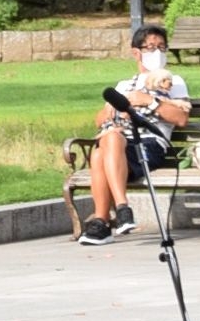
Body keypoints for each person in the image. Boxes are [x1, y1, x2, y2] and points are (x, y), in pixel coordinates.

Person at [81, 22, 190, 246]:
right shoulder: (123, 85)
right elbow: (99, 120)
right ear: (136, 52)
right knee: (106, 144)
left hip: (149, 144)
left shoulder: (173, 81)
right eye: (151, 47)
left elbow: (181, 118)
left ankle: (104, 220)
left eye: (162, 47)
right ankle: (121, 211)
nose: (157, 52)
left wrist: (149, 101)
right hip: (120, 143)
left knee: (101, 153)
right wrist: (112, 111)